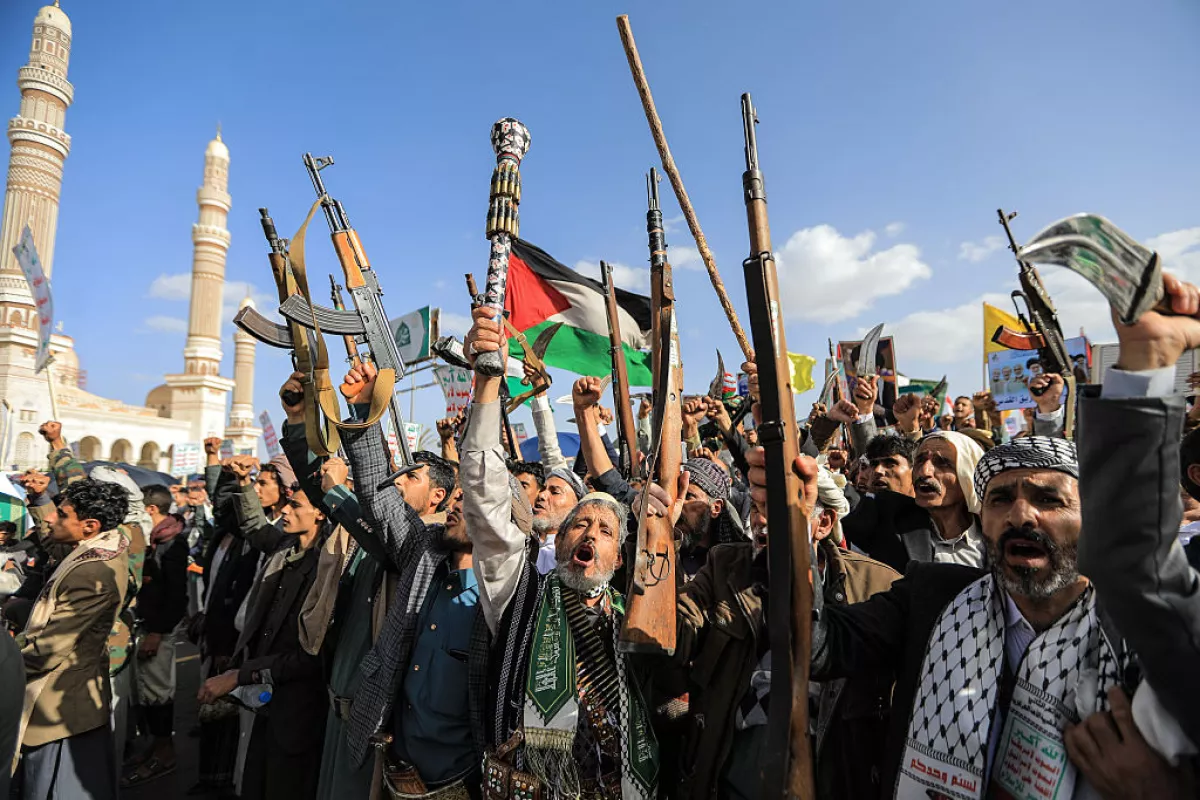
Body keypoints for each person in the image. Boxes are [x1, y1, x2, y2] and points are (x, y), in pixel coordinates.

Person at [791, 433, 1140, 798]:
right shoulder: (932, 594)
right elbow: (818, 644)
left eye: (1048, 499)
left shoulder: (1139, 636)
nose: (1019, 516)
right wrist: (795, 529)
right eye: (1000, 499)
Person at [461, 305, 659, 799]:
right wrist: (487, 385)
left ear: (619, 557)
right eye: (581, 524)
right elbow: (485, 499)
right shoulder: (519, 590)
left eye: (606, 529)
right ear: (561, 538)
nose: (590, 533)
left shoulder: (633, 617)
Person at [661, 466, 898, 798]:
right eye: (757, 510)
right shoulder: (724, 568)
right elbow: (670, 636)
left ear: (824, 523)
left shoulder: (876, 586)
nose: (760, 521)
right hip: (735, 780)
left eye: (777, 511)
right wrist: (657, 541)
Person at [332, 360, 494, 798]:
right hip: (392, 763)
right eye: (457, 496)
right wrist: (365, 412)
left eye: (472, 499)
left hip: (463, 779)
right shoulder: (423, 551)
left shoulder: (509, 597)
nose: (457, 505)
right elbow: (380, 498)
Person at [198, 482, 329, 800]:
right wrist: (240, 483)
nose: (285, 510)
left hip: (299, 708)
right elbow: (254, 525)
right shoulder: (283, 548)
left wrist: (239, 675)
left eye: (296, 505)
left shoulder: (328, 569)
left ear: (322, 514)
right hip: (265, 697)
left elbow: (310, 656)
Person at [16, 478, 131, 800]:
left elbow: (49, 649)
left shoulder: (91, 571)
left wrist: (7, 661)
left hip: (60, 706)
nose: (53, 519)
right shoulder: (96, 547)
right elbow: (54, 543)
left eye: (62, 514)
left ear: (89, 526)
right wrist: (40, 498)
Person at [121, 484, 189, 787]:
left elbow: (176, 594)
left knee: (159, 694)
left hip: (160, 629)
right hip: (148, 624)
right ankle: (153, 746)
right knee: (145, 691)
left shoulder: (171, 542)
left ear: (150, 510)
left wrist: (158, 633)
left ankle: (165, 752)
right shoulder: (155, 540)